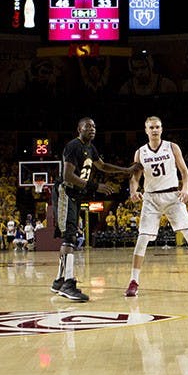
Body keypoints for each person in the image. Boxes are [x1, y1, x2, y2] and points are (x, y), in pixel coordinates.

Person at [50, 116, 141, 301]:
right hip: (66, 192)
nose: (92, 129)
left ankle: (59, 280)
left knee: (70, 236)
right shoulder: (73, 146)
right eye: (88, 126)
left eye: (94, 126)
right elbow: (67, 176)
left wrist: (125, 170)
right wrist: (95, 186)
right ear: (79, 129)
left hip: (75, 194)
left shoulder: (90, 148)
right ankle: (68, 283)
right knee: (70, 237)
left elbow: (103, 166)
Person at [124, 116, 188, 296]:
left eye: (157, 127)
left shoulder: (172, 147)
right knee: (142, 239)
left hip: (173, 195)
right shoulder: (140, 152)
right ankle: (134, 281)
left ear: (162, 129)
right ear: (146, 130)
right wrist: (133, 191)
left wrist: (186, 188)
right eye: (151, 127)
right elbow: (135, 177)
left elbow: (185, 172)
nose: (155, 130)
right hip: (151, 198)